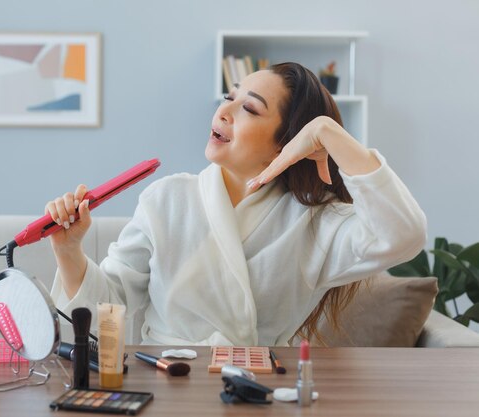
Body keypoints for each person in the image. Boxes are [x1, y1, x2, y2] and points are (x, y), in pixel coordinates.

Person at [45, 62, 427, 346]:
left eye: (251, 108)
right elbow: (107, 308)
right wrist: (68, 250)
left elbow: (404, 236)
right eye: (230, 97)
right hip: (164, 382)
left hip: (256, 389)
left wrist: (327, 132)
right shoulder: (167, 199)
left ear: (287, 143)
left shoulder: (316, 222)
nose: (224, 111)